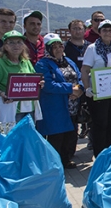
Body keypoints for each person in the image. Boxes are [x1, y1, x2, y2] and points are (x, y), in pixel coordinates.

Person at [35, 35, 83, 169]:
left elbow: (79, 76)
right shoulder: (42, 64)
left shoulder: (68, 61)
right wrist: (70, 89)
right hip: (55, 106)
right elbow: (48, 85)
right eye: (53, 47)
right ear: (48, 49)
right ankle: (55, 165)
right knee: (56, 137)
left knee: (70, 134)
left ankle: (66, 160)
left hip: (72, 104)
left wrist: (80, 89)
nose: (58, 49)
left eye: (60, 46)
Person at [82, 20, 111, 157]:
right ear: (99, 32)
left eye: (110, 30)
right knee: (100, 124)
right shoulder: (92, 48)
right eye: (104, 30)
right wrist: (87, 88)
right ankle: (100, 155)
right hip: (98, 93)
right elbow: (85, 70)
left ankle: (110, 153)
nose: (107, 33)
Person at [0, 30, 41, 123]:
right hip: (11, 111)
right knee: (12, 136)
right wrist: (2, 93)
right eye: (11, 43)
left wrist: (40, 83)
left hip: (29, 109)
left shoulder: (26, 62)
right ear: (5, 46)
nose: (16, 45)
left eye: (19, 42)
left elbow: (34, 80)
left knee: (27, 137)